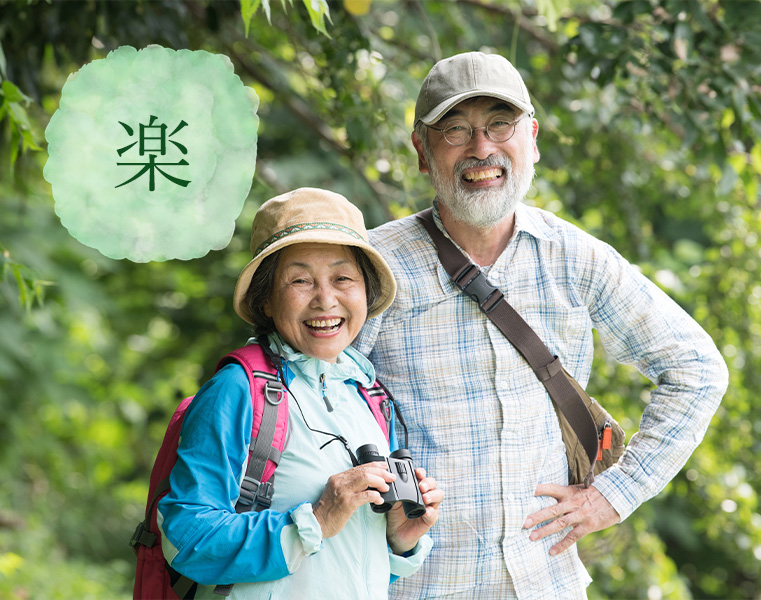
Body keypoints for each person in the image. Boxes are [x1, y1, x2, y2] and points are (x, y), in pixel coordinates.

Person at [353, 52, 729, 598]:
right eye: (455, 130)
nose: (481, 148)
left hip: (545, 582)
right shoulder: (369, 266)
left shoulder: (573, 256)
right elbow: (303, 400)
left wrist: (615, 494)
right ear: (421, 151)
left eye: (499, 125)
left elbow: (697, 369)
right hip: (414, 584)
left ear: (532, 138)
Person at [157, 187, 443, 599]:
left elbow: (339, 567)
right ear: (267, 299)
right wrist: (318, 518)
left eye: (343, 278)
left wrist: (399, 539)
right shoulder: (238, 389)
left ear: (365, 291)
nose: (326, 300)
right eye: (300, 280)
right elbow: (184, 538)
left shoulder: (366, 395)